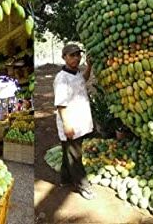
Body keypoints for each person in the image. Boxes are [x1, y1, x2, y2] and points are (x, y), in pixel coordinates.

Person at [53, 43, 95, 200]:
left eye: (78, 55)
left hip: (80, 121)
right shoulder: (61, 79)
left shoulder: (76, 73)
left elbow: (82, 80)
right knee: (76, 156)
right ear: (64, 57)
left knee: (68, 153)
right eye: (72, 55)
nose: (76, 58)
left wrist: (89, 67)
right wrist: (67, 125)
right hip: (71, 123)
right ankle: (84, 186)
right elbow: (61, 104)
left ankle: (65, 179)